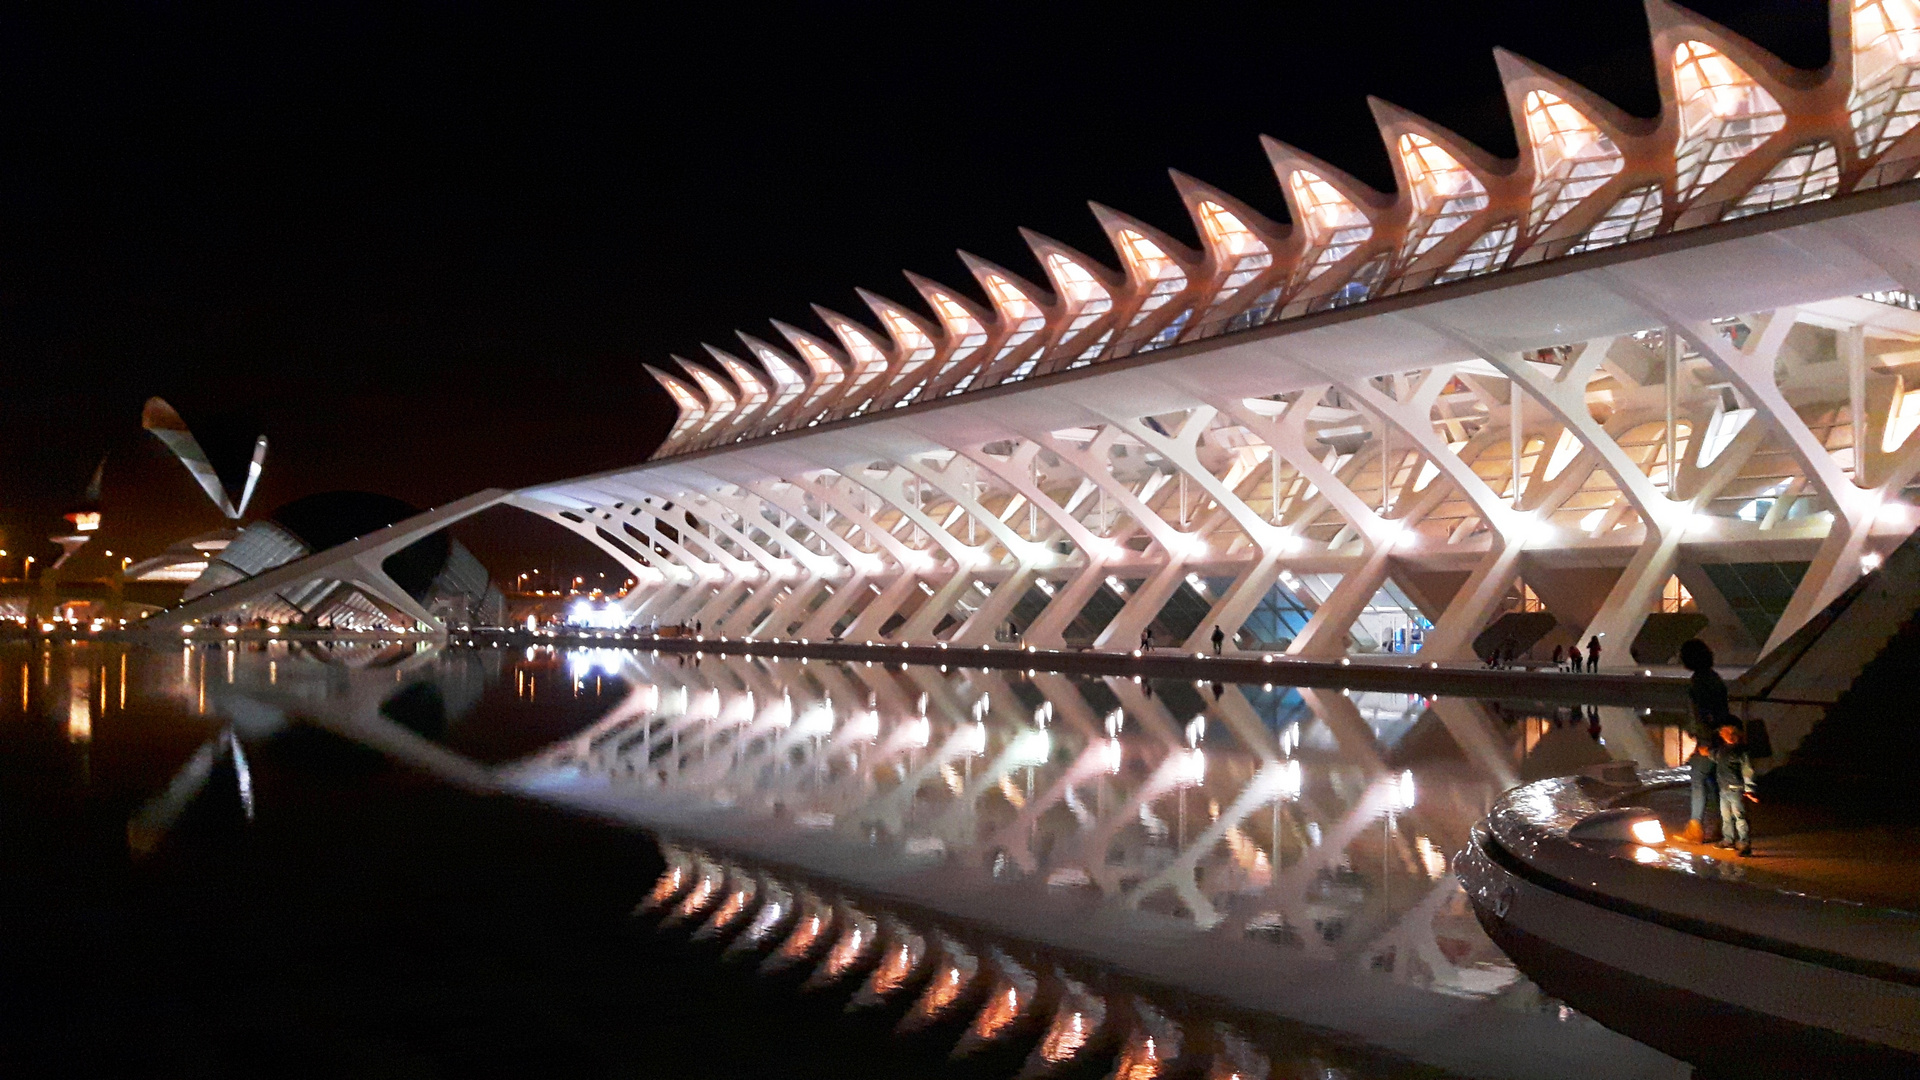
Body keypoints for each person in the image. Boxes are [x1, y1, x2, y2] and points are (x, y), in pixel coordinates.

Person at [1678, 639, 1728, 844]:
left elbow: (1701, 714)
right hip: (1722, 738)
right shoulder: (1715, 678)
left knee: (1698, 779)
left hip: (1708, 740)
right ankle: (1720, 827)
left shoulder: (1699, 681)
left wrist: (1704, 740)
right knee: (1713, 781)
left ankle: (1695, 828)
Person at [1714, 720, 1755, 856]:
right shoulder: (1722, 750)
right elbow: (1715, 757)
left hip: (1735, 789)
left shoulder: (1741, 751)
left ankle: (1744, 844)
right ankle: (1728, 840)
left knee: (1739, 816)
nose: (1730, 736)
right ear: (1722, 735)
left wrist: (1749, 789)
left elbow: (1747, 770)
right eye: (1726, 733)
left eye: (1732, 733)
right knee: (1726, 816)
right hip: (1724, 789)